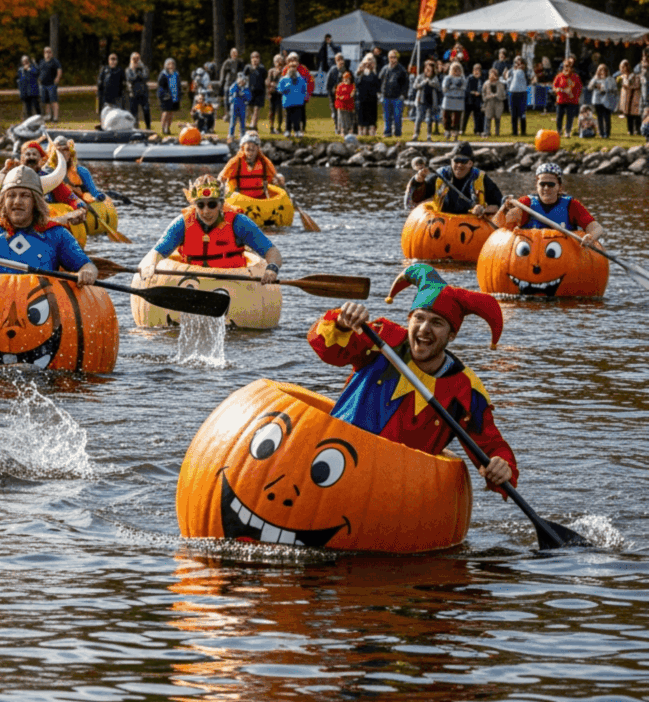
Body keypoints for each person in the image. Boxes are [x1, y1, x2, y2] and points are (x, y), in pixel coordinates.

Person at [307, 264, 517, 496]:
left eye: (437, 323)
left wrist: (501, 465)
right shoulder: (381, 338)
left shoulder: (465, 389)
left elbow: (489, 444)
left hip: (393, 493)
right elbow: (327, 349)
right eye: (419, 318)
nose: (424, 329)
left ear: (452, 335)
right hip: (332, 462)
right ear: (409, 320)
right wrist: (341, 323)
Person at [0, 164, 97, 282]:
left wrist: (87, 273)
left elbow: (87, 266)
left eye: (25, 195)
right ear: (3, 201)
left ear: (36, 202)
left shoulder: (56, 233)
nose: (17, 201)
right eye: (11, 195)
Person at [137, 175, 283, 282]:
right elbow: (157, 252)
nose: (206, 211)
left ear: (220, 204)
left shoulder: (239, 223)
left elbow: (272, 251)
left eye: (212, 204)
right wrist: (149, 265)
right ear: (194, 205)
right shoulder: (182, 224)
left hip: (233, 285)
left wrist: (272, 269)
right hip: (191, 284)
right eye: (200, 205)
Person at [495, 162, 604, 248]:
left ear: (559, 187)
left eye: (551, 184)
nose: (546, 188)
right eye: (542, 184)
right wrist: (504, 209)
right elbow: (500, 227)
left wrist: (590, 237)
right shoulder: (525, 203)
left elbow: (597, 228)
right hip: (529, 257)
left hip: (563, 257)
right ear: (536, 186)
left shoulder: (572, 205)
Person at [406, 142, 503, 217]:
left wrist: (484, 210)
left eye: (464, 161)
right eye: (456, 160)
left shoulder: (481, 178)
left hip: (471, 225)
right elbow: (415, 199)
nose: (459, 165)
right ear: (451, 161)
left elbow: (500, 204)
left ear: (471, 163)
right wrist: (419, 180)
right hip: (442, 223)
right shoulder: (440, 176)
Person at [219, 132, 285, 199]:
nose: (251, 148)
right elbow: (222, 176)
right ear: (242, 147)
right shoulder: (236, 161)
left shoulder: (264, 162)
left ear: (258, 149)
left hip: (260, 201)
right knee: (228, 184)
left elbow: (274, 177)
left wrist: (279, 180)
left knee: (279, 179)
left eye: (254, 146)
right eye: (248, 146)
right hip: (241, 200)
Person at [378, 49, 410, 137]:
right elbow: (380, 79)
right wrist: (381, 92)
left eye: (394, 57)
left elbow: (406, 83)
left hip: (397, 97)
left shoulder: (401, 69)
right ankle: (387, 133)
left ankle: (398, 133)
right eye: (391, 57)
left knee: (397, 117)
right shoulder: (385, 69)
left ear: (397, 58)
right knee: (387, 117)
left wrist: (403, 95)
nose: (392, 59)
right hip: (386, 96)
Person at [552, 56, 583, 138]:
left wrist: (575, 95)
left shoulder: (575, 77)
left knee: (570, 117)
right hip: (561, 100)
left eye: (568, 66)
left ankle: (568, 131)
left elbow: (579, 88)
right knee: (559, 117)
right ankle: (559, 131)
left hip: (571, 101)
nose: (566, 68)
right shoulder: (559, 76)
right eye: (565, 66)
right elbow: (554, 87)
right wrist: (558, 90)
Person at [277, 56, 308, 137]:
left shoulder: (300, 79)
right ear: (288, 68)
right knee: (288, 117)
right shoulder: (284, 79)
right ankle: (288, 130)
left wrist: (302, 97)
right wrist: (285, 88)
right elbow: (279, 89)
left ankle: (297, 131)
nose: (293, 69)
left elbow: (304, 89)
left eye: (294, 67)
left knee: (297, 117)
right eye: (291, 67)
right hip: (288, 101)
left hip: (298, 102)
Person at [410, 59, 441, 141]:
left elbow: (438, 87)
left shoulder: (435, 78)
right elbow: (415, 86)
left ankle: (429, 136)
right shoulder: (420, 76)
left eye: (430, 70)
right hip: (421, 101)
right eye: (426, 69)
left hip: (431, 101)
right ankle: (416, 135)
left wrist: (430, 82)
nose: (428, 71)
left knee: (429, 119)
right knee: (419, 118)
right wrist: (423, 82)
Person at [588, 62, 617, 138]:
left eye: (604, 70)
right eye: (600, 70)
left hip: (607, 100)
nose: (602, 72)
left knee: (607, 117)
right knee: (599, 117)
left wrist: (606, 89)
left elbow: (614, 89)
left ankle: (607, 133)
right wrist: (595, 84)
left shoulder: (610, 79)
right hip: (597, 100)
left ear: (607, 71)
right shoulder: (595, 78)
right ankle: (601, 133)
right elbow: (589, 87)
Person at [441, 60, 467, 142]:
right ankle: (447, 130)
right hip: (448, 99)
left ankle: (455, 130)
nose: (456, 72)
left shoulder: (462, 79)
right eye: (454, 70)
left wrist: (453, 87)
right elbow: (444, 88)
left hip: (458, 99)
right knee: (446, 115)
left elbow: (464, 88)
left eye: (458, 70)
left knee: (457, 116)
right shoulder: (447, 78)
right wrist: (454, 87)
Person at [355, 54, 380, 137]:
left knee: (372, 118)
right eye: (366, 63)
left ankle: (372, 133)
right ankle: (361, 133)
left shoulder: (375, 74)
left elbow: (377, 85)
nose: (368, 65)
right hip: (362, 99)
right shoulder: (360, 74)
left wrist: (372, 70)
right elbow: (357, 84)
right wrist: (360, 72)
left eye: (370, 63)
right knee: (361, 118)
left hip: (371, 99)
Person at [125, 52, 151, 130]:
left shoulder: (144, 68)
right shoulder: (128, 69)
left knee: (146, 110)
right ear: (131, 59)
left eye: (137, 58)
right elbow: (130, 79)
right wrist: (135, 71)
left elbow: (146, 77)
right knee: (134, 112)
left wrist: (140, 71)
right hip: (133, 93)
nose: (136, 60)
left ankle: (148, 127)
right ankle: (135, 127)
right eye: (134, 59)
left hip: (143, 93)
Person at [37, 46, 63, 123]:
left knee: (54, 101)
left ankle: (55, 117)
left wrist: (57, 78)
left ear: (51, 53)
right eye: (46, 52)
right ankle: (48, 116)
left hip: (51, 84)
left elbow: (59, 70)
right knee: (46, 102)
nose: (47, 54)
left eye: (49, 52)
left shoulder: (55, 61)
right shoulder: (41, 62)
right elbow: (39, 71)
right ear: (44, 53)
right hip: (43, 85)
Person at [324, 53, 349, 132]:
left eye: (341, 59)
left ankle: (345, 127)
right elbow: (328, 85)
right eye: (338, 60)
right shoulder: (332, 70)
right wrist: (331, 93)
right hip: (334, 96)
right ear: (335, 61)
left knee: (345, 112)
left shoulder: (346, 70)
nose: (340, 61)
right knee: (335, 112)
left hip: (345, 95)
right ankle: (337, 127)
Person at [157, 58, 182, 135]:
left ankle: (168, 128)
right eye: (169, 64)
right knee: (165, 112)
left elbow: (178, 85)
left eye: (172, 64)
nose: (171, 66)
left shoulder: (176, 74)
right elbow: (161, 86)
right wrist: (164, 94)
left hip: (174, 96)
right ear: (166, 65)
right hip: (166, 97)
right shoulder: (163, 74)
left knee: (171, 113)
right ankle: (163, 127)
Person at [243, 52, 268, 130]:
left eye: (257, 57)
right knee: (250, 108)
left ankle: (253, 124)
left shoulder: (262, 69)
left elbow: (266, 79)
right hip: (250, 91)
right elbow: (243, 77)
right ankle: (254, 124)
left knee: (256, 109)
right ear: (251, 59)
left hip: (260, 91)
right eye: (253, 57)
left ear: (259, 59)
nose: (255, 59)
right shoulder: (248, 68)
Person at [505, 56, 529, 136]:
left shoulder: (526, 71)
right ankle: (514, 131)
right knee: (513, 112)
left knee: (522, 112)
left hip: (522, 92)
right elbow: (507, 80)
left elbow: (530, 79)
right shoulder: (511, 70)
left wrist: (524, 71)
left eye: (520, 62)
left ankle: (523, 131)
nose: (518, 64)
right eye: (517, 62)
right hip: (513, 92)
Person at [617, 59, 641, 137]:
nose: (622, 69)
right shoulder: (621, 77)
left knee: (636, 115)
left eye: (624, 67)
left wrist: (628, 87)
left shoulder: (634, 76)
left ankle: (637, 130)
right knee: (628, 115)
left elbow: (637, 85)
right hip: (626, 98)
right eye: (621, 67)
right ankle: (630, 130)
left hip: (634, 97)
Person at [463, 63, 486, 137]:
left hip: (478, 100)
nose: (477, 71)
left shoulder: (482, 79)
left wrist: (480, 93)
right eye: (475, 69)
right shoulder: (469, 78)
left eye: (478, 70)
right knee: (465, 116)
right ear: (473, 70)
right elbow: (466, 89)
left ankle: (478, 130)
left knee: (478, 116)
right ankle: (462, 129)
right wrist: (473, 92)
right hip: (469, 100)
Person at [482, 68, 506, 136]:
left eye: (494, 74)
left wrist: (498, 96)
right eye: (491, 74)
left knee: (497, 118)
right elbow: (483, 93)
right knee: (488, 117)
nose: (492, 76)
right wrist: (486, 97)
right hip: (489, 102)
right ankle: (487, 132)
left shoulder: (500, 84)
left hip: (498, 103)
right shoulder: (486, 83)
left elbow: (503, 94)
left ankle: (497, 132)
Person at [228, 74, 251, 140]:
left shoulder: (246, 88)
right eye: (240, 80)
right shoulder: (234, 86)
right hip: (234, 106)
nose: (242, 82)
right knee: (233, 121)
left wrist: (244, 94)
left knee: (242, 121)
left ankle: (242, 134)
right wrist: (237, 84)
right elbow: (231, 92)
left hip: (242, 106)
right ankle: (231, 134)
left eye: (243, 80)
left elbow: (249, 97)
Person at [219, 48, 242, 114]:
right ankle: (227, 113)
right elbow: (223, 72)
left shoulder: (239, 62)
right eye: (233, 53)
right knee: (226, 98)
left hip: (237, 83)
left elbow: (242, 73)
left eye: (235, 53)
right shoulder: (227, 62)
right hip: (228, 83)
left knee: (236, 98)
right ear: (231, 54)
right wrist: (221, 82)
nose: (234, 54)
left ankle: (236, 113)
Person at [266, 54, 285, 134]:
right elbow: (268, 82)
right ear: (274, 62)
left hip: (281, 94)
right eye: (277, 61)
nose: (278, 62)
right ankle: (271, 127)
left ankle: (279, 127)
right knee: (272, 110)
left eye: (280, 60)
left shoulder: (284, 71)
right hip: (273, 93)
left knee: (280, 111)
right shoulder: (271, 71)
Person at [334, 70, 356, 135]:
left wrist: (344, 97)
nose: (347, 80)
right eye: (346, 78)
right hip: (341, 106)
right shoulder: (340, 86)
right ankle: (341, 131)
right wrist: (346, 97)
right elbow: (338, 96)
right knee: (341, 119)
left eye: (348, 78)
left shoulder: (352, 86)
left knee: (349, 120)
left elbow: (352, 95)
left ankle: (348, 131)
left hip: (349, 106)